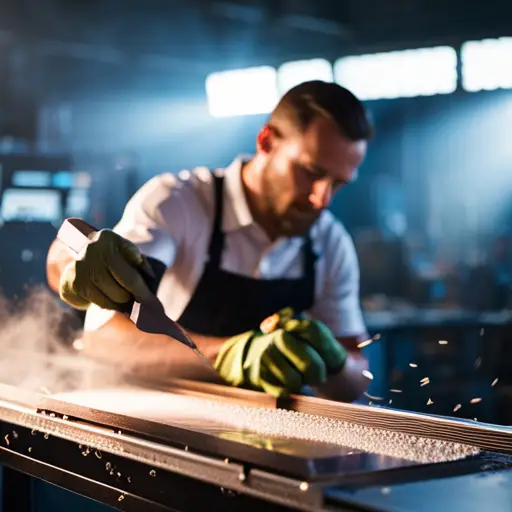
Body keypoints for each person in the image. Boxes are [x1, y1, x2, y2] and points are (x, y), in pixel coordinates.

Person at [46, 80, 374, 401]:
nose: (322, 198)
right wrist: (229, 355)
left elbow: (358, 378)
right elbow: (104, 338)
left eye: (339, 183)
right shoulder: (178, 204)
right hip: (158, 418)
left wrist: (335, 362)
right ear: (266, 141)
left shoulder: (330, 242)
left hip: (269, 434)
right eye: (311, 172)